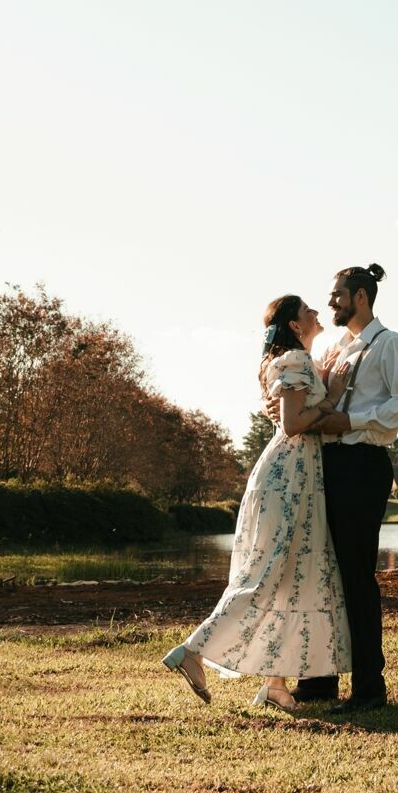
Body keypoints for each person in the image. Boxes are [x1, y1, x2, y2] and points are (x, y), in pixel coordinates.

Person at [161, 294, 352, 712]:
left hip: (300, 480)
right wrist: (332, 397)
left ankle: (275, 683)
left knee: (292, 578)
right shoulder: (294, 362)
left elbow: (293, 411)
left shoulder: (298, 360)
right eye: (307, 310)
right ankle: (194, 649)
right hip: (287, 480)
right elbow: (293, 423)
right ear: (293, 324)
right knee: (266, 574)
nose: (317, 313)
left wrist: (323, 390)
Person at [290, 263, 398, 712]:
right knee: (319, 570)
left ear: (361, 297)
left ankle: (369, 688)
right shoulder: (332, 347)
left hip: (363, 464)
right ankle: (319, 680)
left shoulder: (391, 344)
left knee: (355, 576)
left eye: (337, 295)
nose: (330, 303)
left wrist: (354, 420)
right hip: (324, 463)